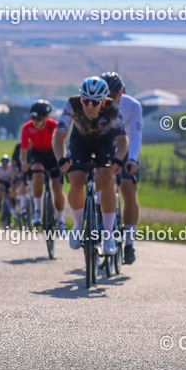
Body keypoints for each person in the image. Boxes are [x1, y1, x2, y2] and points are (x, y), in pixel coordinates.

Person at [53, 77, 128, 255]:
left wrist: (118, 159)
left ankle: (108, 236)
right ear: (81, 98)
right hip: (80, 143)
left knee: (107, 177)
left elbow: (122, 141)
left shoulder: (111, 107)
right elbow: (58, 137)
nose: (90, 106)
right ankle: (78, 226)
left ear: (103, 101)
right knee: (77, 180)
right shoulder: (72, 104)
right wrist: (61, 158)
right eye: (86, 101)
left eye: (95, 102)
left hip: (105, 142)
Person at [102, 71, 143, 264]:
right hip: (105, 147)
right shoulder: (96, 105)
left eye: (113, 95)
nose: (110, 99)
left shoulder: (132, 106)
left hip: (126, 149)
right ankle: (101, 229)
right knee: (100, 186)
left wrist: (132, 159)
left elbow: (135, 137)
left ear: (122, 92)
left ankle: (128, 243)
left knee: (128, 189)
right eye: (106, 95)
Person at [20, 99, 68, 232]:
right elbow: (24, 149)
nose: (35, 121)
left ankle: (61, 220)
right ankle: (36, 211)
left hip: (52, 154)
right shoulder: (27, 128)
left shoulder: (55, 126)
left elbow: (61, 146)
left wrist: (62, 160)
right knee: (37, 170)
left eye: (39, 118)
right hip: (37, 154)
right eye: (33, 117)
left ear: (47, 117)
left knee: (57, 187)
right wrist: (24, 162)